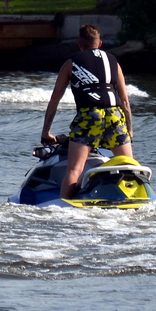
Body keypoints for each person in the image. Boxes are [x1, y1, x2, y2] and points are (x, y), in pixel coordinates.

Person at [39, 24, 134, 199]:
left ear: (79, 44)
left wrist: (46, 131)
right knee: (129, 166)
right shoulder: (114, 62)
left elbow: (55, 99)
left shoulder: (71, 63)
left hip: (90, 116)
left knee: (75, 169)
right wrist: (129, 130)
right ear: (100, 43)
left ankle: (64, 207)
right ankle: (134, 200)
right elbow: (125, 101)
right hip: (114, 116)